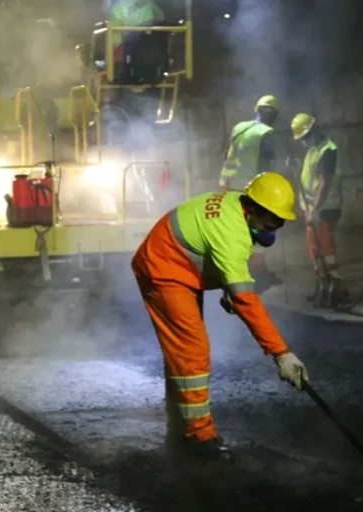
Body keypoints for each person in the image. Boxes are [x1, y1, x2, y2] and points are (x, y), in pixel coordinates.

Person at [132, 172, 308, 458]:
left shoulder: (238, 208)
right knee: (192, 352)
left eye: (281, 221)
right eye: (273, 220)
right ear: (253, 208)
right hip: (164, 269)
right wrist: (281, 353)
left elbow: (217, 254)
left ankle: (179, 428)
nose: (276, 227)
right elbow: (246, 300)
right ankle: (198, 437)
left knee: (182, 355)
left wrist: (229, 287)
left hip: (178, 265)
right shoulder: (232, 232)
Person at [219, 95, 281, 286]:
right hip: (250, 189)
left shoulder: (239, 128)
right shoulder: (266, 133)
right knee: (258, 229)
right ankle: (258, 274)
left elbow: (226, 154)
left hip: (228, 187)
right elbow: (264, 166)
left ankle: (235, 271)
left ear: (256, 110)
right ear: (274, 116)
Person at [291, 113, 349, 307]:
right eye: (301, 138)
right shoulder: (313, 150)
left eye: (306, 136)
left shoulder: (328, 150)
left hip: (325, 208)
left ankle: (338, 288)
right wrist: (296, 166)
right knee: (315, 249)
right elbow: (310, 178)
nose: (304, 141)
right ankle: (323, 285)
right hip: (312, 209)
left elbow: (325, 182)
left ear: (314, 130)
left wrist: (315, 210)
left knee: (326, 249)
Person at [109, 0, 165, 66]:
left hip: (132, 48)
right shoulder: (148, 2)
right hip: (152, 46)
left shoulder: (118, 8)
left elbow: (116, 41)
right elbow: (161, 17)